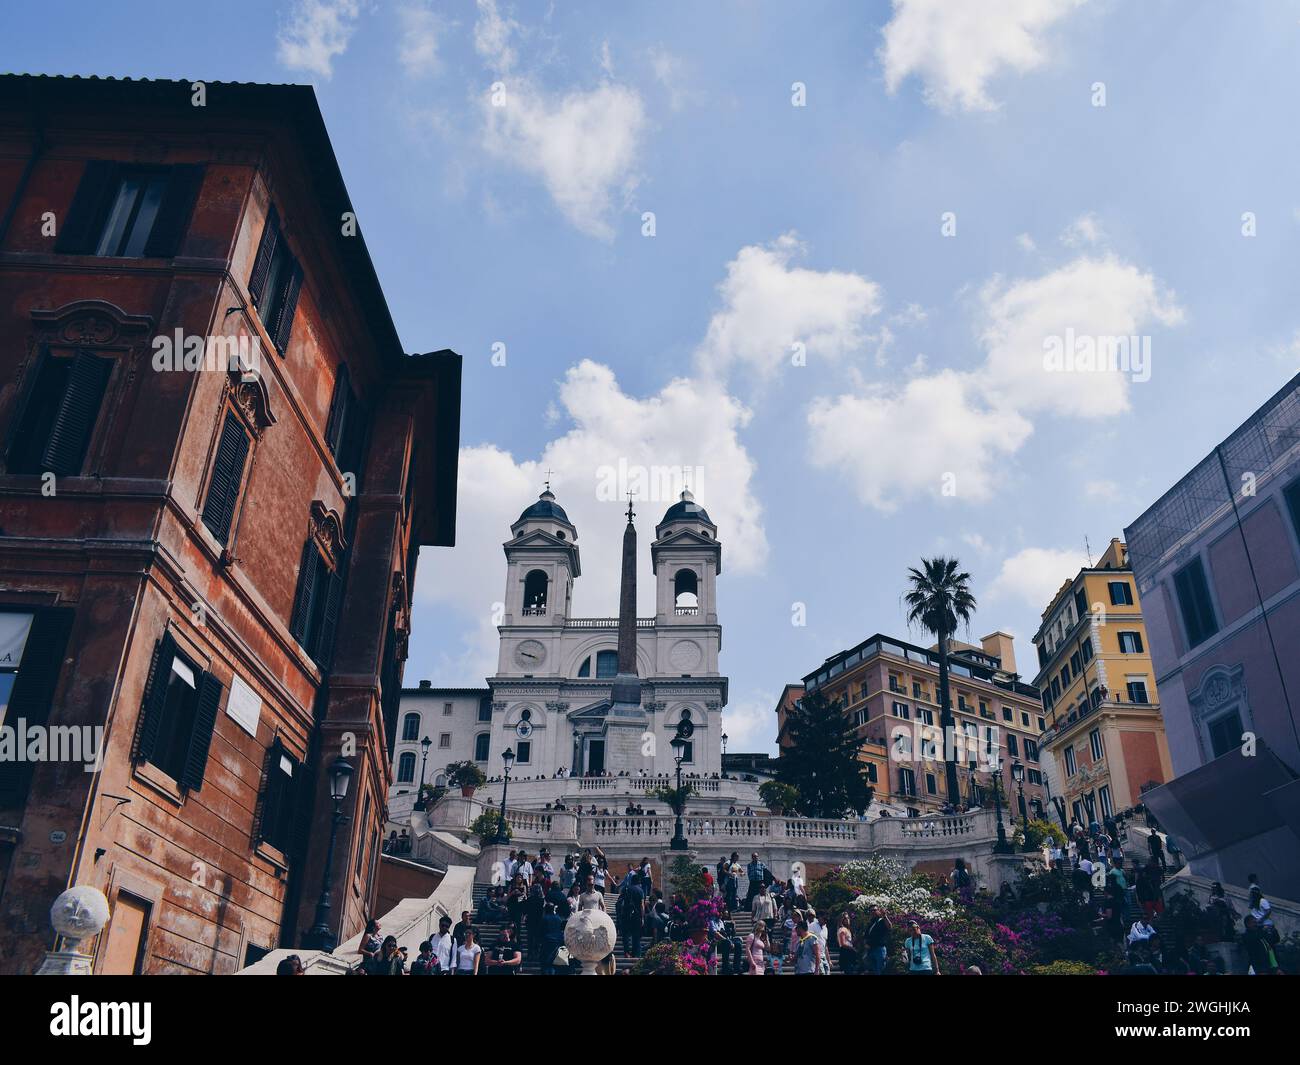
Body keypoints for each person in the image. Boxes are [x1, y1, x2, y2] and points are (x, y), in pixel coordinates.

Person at [618, 876, 645, 958]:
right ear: (639, 882)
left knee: (625, 934)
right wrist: (642, 917)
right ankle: (635, 953)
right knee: (636, 935)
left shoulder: (626, 889)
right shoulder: (640, 890)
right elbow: (642, 905)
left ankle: (626, 952)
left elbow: (620, 903)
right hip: (636, 916)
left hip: (626, 915)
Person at [865, 906, 891, 974]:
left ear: (879, 910)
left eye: (874, 910)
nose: (872, 912)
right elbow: (866, 935)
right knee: (873, 970)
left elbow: (889, 926)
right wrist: (865, 944)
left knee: (881, 969)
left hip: (879, 949)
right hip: (871, 949)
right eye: (871, 911)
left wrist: (884, 916)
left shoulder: (882, 921)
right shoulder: (871, 923)